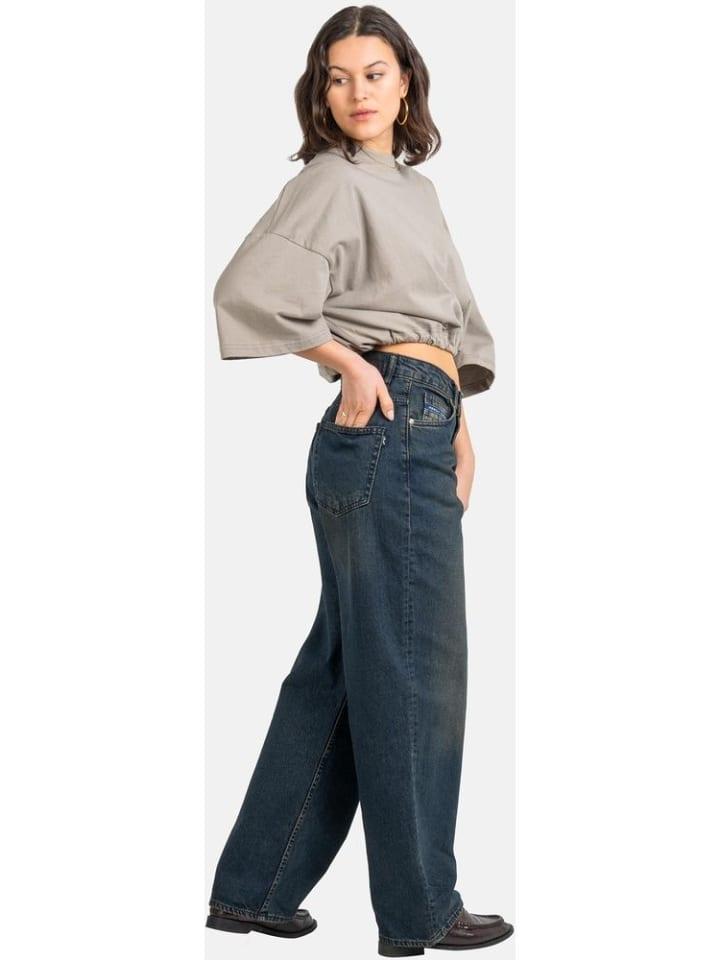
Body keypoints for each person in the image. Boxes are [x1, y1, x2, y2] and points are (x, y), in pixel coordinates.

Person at [206, 7, 514, 957]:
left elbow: (449, 323)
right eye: (337, 77)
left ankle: (255, 888)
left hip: (418, 423)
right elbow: (248, 289)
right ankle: (421, 910)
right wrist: (347, 362)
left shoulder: (413, 192)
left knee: (349, 667)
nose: (356, 93)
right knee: (417, 669)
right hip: (385, 424)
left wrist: (460, 425)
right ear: (321, 90)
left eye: (373, 73)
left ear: (406, 80)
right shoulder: (331, 180)